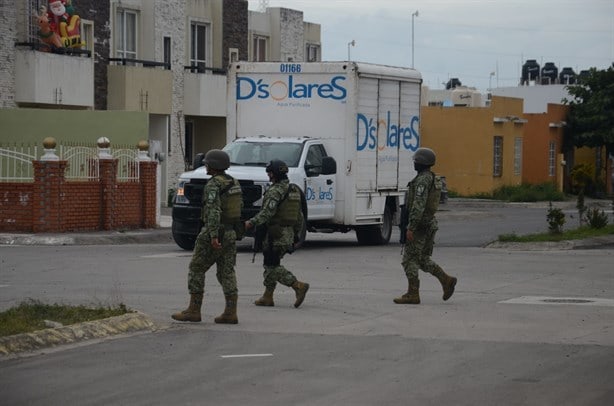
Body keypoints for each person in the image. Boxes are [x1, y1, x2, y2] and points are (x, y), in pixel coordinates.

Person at [172, 149, 243, 324]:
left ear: (214, 165)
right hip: (230, 232)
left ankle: (194, 310)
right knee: (227, 272)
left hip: (215, 232)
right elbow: (238, 206)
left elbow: (213, 210)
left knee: (196, 268)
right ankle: (230, 312)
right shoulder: (234, 183)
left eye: (207, 164)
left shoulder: (213, 184)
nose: (205, 166)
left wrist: (212, 235)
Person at [394, 147, 457, 304]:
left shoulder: (422, 180)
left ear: (422, 162)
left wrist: (411, 227)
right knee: (422, 259)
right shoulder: (432, 178)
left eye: (416, 160)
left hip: (420, 225)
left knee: (409, 260)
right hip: (428, 223)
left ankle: (413, 293)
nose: (414, 163)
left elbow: (418, 205)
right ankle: (446, 280)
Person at [245, 159, 310, 308]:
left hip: (275, 234)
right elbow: (299, 216)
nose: (268, 175)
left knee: (272, 267)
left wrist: (251, 222)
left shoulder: (275, 191)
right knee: (271, 264)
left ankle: (298, 286)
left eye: (269, 172)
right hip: (287, 234)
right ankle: (268, 296)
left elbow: (266, 213)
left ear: (274, 174)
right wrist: (295, 235)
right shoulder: (294, 190)